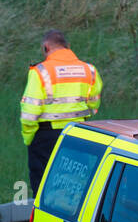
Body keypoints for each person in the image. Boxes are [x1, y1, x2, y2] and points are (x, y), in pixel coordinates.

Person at [19, 30, 101, 195]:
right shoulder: (89, 70)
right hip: (79, 133)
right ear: (68, 46)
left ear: (46, 47)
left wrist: (29, 138)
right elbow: (94, 101)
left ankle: (45, 218)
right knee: (76, 183)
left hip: (46, 137)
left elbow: (29, 113)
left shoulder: (40, 72)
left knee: (44, 185)